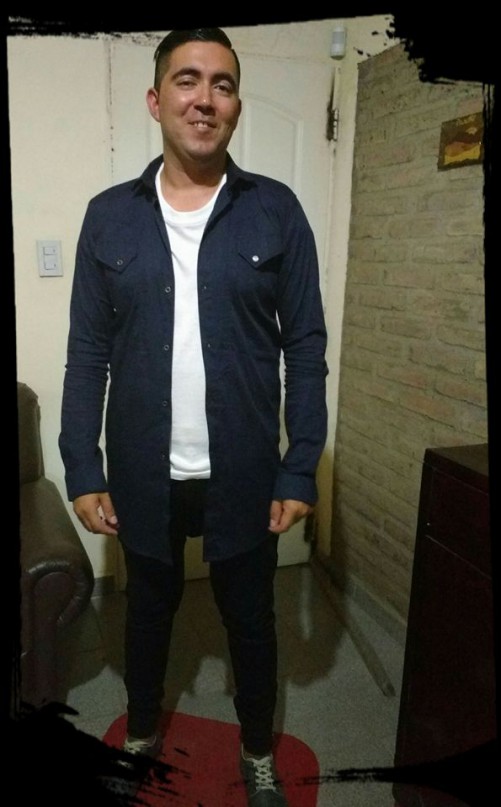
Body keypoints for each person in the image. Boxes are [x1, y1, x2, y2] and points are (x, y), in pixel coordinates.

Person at [59, 27, 328, 807]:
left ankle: (257, 750)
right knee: (147, 614)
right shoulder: (108, 217)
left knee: (250, 620)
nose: (204, 98)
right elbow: (87, 352)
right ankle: (141, 734)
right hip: (142, 469)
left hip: (243, 469)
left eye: (222, 83)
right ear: (156, 99)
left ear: (235, 106)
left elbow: (305, 346)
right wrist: (83, 465)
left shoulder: (275, 211)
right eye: (186, 80)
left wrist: (298, 465)